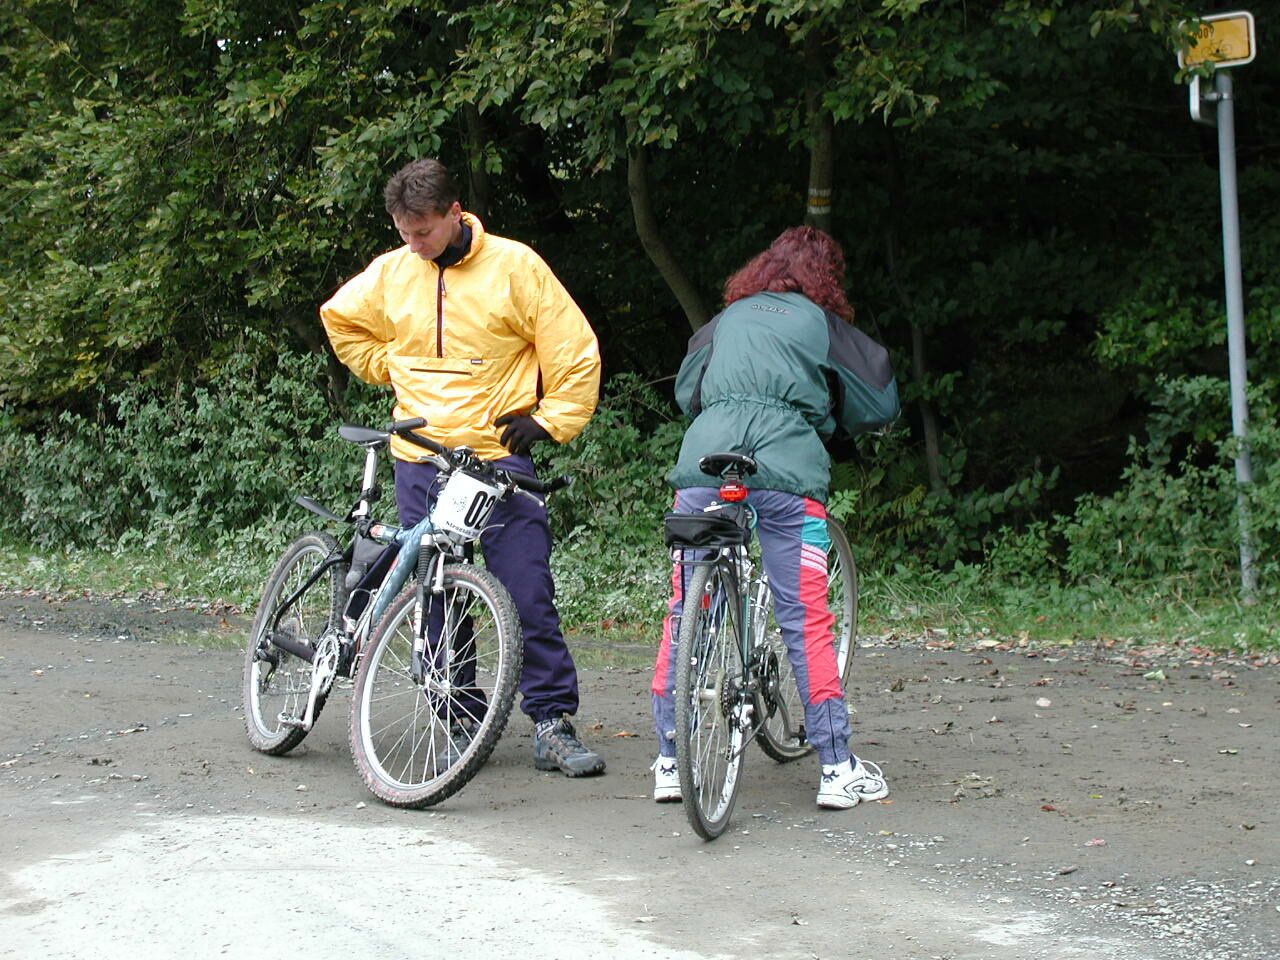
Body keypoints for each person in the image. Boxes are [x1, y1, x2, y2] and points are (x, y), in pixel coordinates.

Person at [321, 157, 606, 777]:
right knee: (435, 596)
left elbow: (574, 350)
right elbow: (339, 319)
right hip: (421, 457)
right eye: (404, 232)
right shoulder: (393, 271)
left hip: (496, 457)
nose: (414, 244)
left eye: (423, 231)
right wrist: (390, 366)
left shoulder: (515, 267)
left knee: (526, 590)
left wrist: (548, 421)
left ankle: (552, 722)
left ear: (455, 213)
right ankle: (457, 720)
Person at [650, 225, 899, 809]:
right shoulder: (822, 324)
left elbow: (688, 391)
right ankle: (836, 767)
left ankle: (669, 760)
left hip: (703, 466)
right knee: (805, 617)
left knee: (686, 609)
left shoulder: (726, 320)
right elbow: (880, 398)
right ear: (826, 279)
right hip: (786, 474)